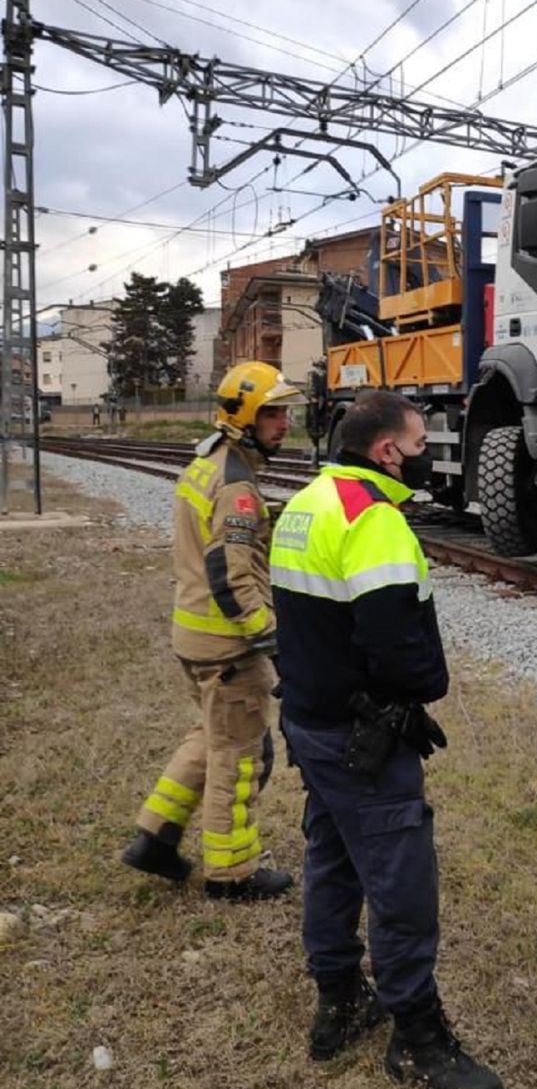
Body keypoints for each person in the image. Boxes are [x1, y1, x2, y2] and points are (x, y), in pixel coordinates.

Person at [269, 390, 503, 1089]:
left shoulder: (306, 503)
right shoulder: (375, 522)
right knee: (400, 884)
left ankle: (338, 1001)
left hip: (311, 721)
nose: (426, 449)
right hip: (361, 738)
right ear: (386, 451)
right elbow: (398, 648)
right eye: (418, 439)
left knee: (332, 861)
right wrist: (425, 686)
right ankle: (418, 1038)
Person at [121, 361, 302, 900]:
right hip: (228, 648)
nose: (284, 422)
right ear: (244, 416)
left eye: (285, 411)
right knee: (240, 757)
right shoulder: (237, 486)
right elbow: (232, 575)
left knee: (210, 737)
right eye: (273, 412)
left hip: (193, 638)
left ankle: (154, 836)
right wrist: (269, 639)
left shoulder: (207, 465)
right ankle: (232, 874)